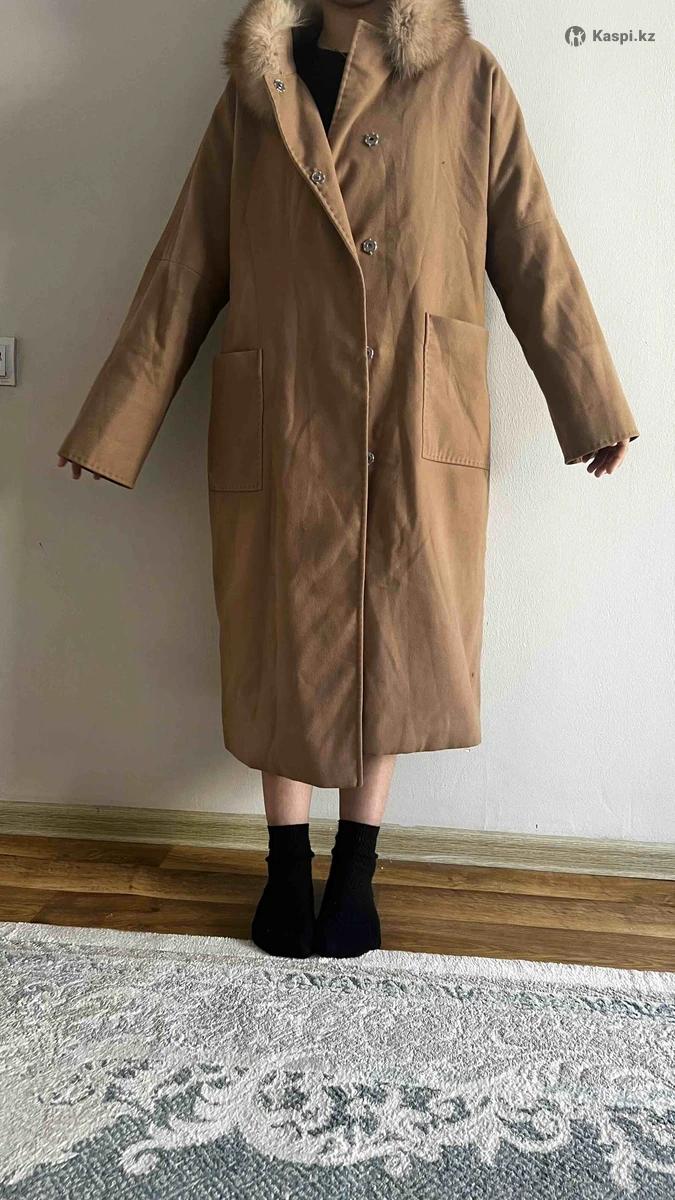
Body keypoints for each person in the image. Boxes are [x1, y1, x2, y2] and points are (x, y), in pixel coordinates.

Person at [56, 0, 639, 962]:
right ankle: (285, 868)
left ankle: (357, 871)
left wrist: (591, 404)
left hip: (410, 407)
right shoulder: (257, 89)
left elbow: (529, 242)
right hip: (284, 412)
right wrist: (114, 422)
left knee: (394, 639)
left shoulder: (468, 79)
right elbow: (188, 260)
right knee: (283, 637)